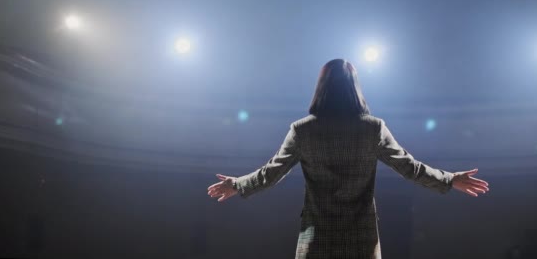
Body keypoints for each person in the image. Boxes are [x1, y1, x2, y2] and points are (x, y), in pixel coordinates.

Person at [207, 58, 489, 258]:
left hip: (315, 241)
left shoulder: (302, 130)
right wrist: (450, 180)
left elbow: (271, 174)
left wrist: (238, 184)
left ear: (321, 87)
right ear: (355, 87)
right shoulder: (373, 128)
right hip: (361, 243)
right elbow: (410, 169)